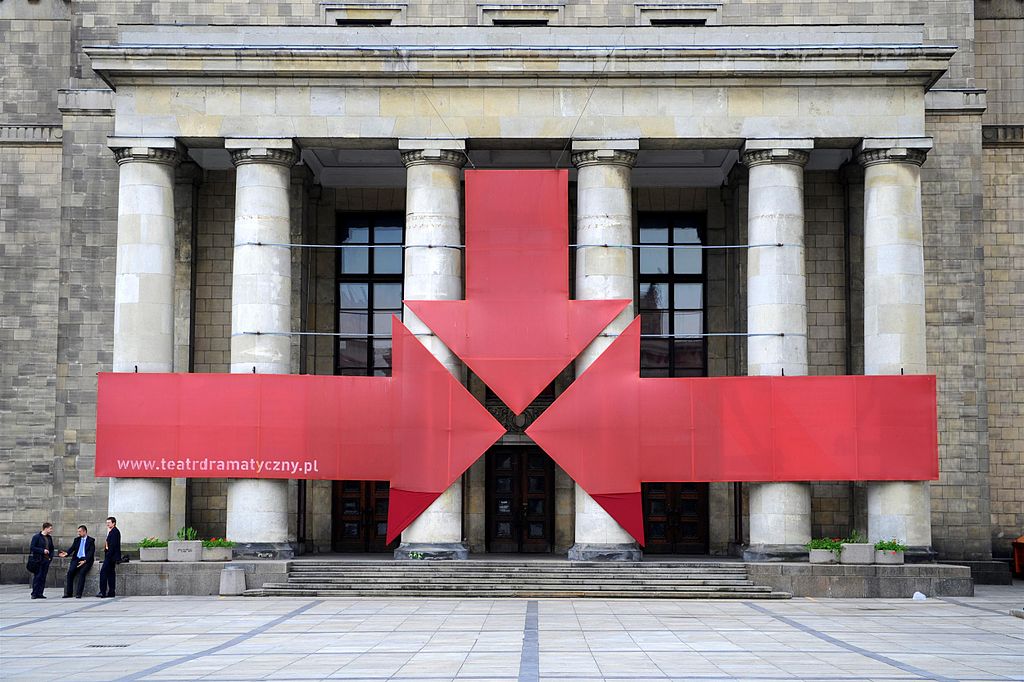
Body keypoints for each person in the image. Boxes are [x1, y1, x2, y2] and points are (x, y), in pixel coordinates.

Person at [58, 525, 95, 598]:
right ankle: (69, 593)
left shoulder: (91, 540)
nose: (78, 533)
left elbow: (91, 552)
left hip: (86, 560)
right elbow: (72, 548)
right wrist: (67, 554)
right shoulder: (77, 540)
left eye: (80, 531)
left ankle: (79, 593)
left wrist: (85, 560)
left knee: (82, 573)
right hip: (77, 559)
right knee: (70, 572)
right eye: (78, 532)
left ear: (85, 531)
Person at [29, 522, 55, 599]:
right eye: (50, 528)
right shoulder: (36, 537)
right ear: (46, 528)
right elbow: (32, 548)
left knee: (43, 577)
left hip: (46, 560)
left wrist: (50, 557)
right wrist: (42, 550)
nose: (51, 530)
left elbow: (52, 548)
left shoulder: (49, 538)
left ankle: (40, 593)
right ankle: (34, 593)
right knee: (37, 577)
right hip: (38, 560)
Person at [97, 516, 121, 598]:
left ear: (113, 523)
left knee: (103, 573)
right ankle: (111, 592)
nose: (107, 524)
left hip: (110, 557)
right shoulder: (112, 531)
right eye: (107, 523)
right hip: (111, 557)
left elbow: (113, 546)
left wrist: (108, 556)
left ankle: (103, 592)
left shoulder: (114, 532)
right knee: (110, 574)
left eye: (109, 522)